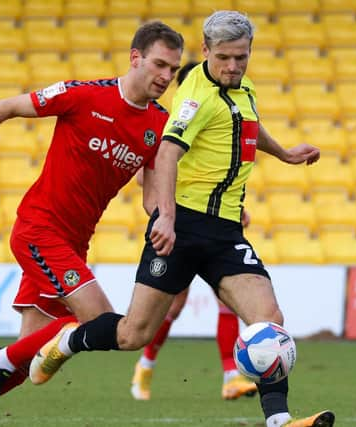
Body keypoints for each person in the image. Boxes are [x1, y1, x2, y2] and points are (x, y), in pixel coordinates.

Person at [29, 11, 335, 427]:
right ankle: (67, 342)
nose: (232, 66)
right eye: (224, 57)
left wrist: (283, 153)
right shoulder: (195, 94)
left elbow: (247, 125)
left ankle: (279, 420)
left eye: (241, 58)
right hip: (183, 228)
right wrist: (166, 218)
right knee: (132, 334)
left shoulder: (244, 90)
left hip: (225, 232)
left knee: (270, 320)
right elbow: (168, 152)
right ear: (206, 51)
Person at [0, 21, 184, 427]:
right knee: (97, 323)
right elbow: (5, 107)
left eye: (174, 70)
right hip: (39, 229)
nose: (166, 77)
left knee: (25, 359)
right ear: (135, 58)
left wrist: (169, 218)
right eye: (160, 65)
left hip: (74, 245)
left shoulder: (158, 127)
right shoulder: (84, 95)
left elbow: (152, 197)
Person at [130, 60, 257, 402]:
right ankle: (145, 365)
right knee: (172, 307)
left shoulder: (213, 121)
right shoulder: (172, 126)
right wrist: (164, 215)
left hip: (213, 228)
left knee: (226, 300)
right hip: (179, 228)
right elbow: (146, 177)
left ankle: (231, 375)